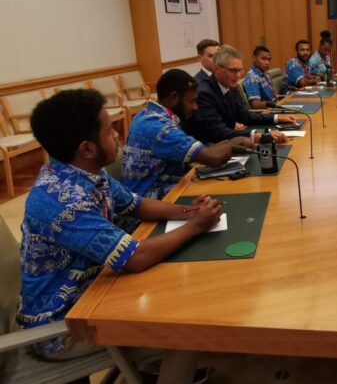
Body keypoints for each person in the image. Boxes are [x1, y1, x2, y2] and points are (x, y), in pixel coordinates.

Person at [18, 89, 221, 383]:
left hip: (96, 291)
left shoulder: (83, 172)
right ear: (87, 148)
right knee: (186, 324)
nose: (118, 136)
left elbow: (137, 204)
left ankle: (153, 367)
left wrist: (189, 212)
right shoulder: (63, 201)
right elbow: (135, 258)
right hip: (64, 326)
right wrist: (196, 226)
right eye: (110, 130)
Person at [122, 69, 251, 201]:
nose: (195, 107)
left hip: (165, 192)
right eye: (192, 101)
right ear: (173, 97)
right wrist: (239, 140)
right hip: (150, 205)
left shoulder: (147, 114)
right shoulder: (159, 127)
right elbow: (213, 158)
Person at [183, 45, 294, 145]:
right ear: (217, 68)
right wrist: (259, 136)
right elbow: (218, 132)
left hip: (228, 144)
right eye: (233, 71)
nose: (238, 76)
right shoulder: (204, 93)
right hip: (209, 151)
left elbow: (245, 116)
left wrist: (277, 118)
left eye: (240, 71)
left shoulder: (232, 87)